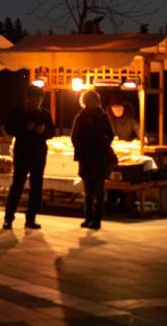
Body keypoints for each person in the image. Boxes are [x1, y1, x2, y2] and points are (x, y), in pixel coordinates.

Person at [2, 85, 54, 230]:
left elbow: (52, 132)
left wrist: (43, 131)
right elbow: (8, 128)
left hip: (39, 153)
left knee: (36, 187)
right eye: (34, 99)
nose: (37, 102)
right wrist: (24, 127)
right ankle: (8, 218)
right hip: (22, 152)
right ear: (28, 98)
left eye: (40, 100)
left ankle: (31, 218)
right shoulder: (19, 111)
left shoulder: (44, 113)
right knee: (17, 185)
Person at [71, 89, 115, 230]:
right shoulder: (81, 117)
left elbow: (110, 135)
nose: (90, 103)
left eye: (92, 100)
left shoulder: (102, 116)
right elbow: (74, 137)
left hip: (98, 158)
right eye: (88, 101)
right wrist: (82, 147)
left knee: (98, 190)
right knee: (89, 191)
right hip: (87, 158)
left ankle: (96, 219)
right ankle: (89, 218)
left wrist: (103, 145)